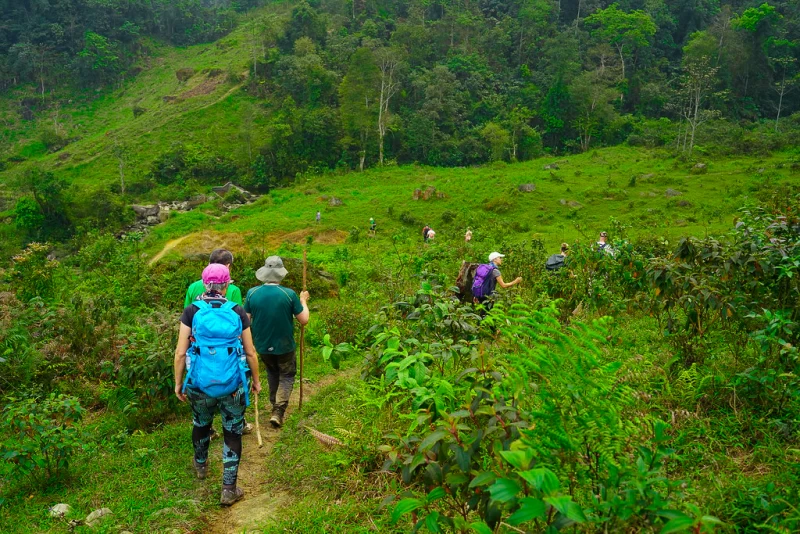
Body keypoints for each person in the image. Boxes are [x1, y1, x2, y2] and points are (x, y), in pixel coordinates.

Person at [174, 264, 261, 506]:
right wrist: (255, 380)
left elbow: (181, 353)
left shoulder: (191, 311)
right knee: (232, 432)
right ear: (226, 285)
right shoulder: (237, 310)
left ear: (204, 284)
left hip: (199, 383)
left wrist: (179, 383)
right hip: (233, 383)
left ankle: (201, 465)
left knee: (201, 423)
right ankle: (228, 489)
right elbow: (250, 352)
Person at [184, 249, 251, 436]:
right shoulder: (234, 290)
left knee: (202, 385)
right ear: (227, 268)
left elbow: (187, 322)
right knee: (230, 387)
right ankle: (236, 422)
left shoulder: (193, 288)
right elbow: (239, 324)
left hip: (200, 350)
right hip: (227, 353)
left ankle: (206, 426)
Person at [244, 256, 310, 429]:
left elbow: (246, 321)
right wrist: (303, 301)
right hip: (285, 345)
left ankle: (275, 405)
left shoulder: (252, 293)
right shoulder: (289, 294)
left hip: (262, 345)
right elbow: (303, 320)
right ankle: (278, 411)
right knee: (287, 375)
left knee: (272, 372)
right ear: (281, 274)